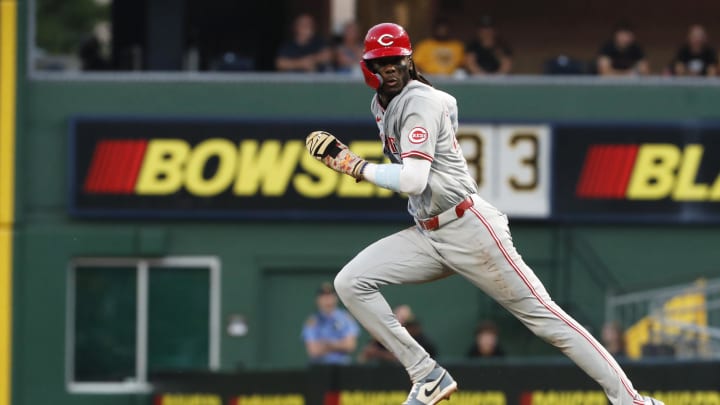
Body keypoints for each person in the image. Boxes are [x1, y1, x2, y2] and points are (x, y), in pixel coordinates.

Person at [304, 22, 663, 405]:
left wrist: (356, 167)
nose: (389, 68)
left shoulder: (419, 101)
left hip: (468, 227)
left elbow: (412, 178)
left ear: (409, 61)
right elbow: (447, 114)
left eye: (395, 60)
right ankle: (426, 373)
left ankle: (631, 400)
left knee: (546, 319)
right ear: (368, 67)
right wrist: (360, 166)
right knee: (350, 282)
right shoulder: (382, 105)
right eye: (381, 62)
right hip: (429, 232)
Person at [301, 282, 359, 365]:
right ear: (318, 299)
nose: (327, 300)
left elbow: (350, 345)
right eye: (323, 296)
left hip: (342, 367)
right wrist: (340, 344)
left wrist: (327, 344)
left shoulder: (345, 318)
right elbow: (313, 351)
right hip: (320, 367)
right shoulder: (313, 321)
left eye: (330, 296)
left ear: (336, 298)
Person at [358, 304, 439, 363]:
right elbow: (364, 357)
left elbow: (406, 359)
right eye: (398, 317)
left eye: (404, 319)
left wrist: (379, 354)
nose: (401, 322)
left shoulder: (420, 339)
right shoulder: (384, 336)